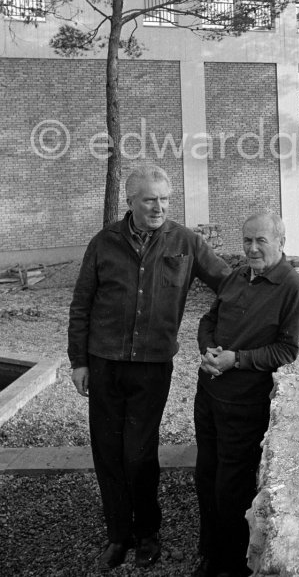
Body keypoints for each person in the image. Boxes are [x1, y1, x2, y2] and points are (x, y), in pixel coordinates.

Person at [68, 163, 230, 571]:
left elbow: (229, 284)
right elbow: (81, 304)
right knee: (108, 451)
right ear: (130, 201)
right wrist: (78, 362)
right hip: (104, 363)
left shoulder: (186, 242)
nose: (159, 207)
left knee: (139, 453)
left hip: (152, 366)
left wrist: (275, 285)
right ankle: (118, 535)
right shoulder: (103, 242)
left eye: (165, 199)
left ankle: (147, 533)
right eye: (150, 200)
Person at [193, 212, 299, 577]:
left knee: (231, 487)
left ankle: (229, 565)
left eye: (261, 240)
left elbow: (287, 350)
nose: (252, 248)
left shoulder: (295, 289)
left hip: (244, 405)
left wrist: (236, 359)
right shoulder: (236, 276)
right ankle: (210, 552)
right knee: (205, 475)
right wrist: (208, 350)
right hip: (208, 395)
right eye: (247, 240)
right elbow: (208, 321)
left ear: (281, 242)